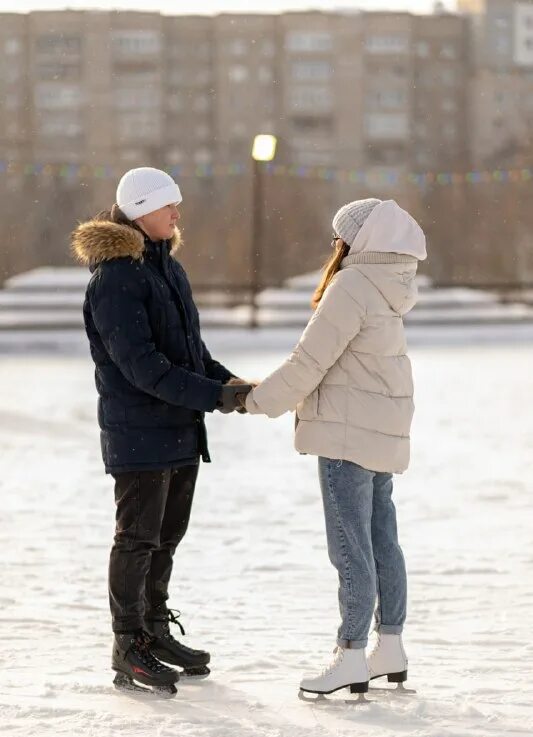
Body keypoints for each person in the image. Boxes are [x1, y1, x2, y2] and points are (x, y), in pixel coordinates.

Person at [72, 167, 251, 692]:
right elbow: (142, 367)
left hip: (178, 428)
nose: (177, 213)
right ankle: (128, 644)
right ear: (140, 210)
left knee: (166, 538)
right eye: (168, 205)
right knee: (137, 539)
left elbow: (191, 352)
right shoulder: (116, 278)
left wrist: (229, 383)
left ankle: (152, 629)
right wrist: (213, 396)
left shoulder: (166, 267)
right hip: (139, 433)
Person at [244, 198, 426, 697]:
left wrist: (256, 400)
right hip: (380, 429)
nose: (335, 245)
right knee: (382, 540)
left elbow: (310, 360)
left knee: (350, 547)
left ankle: (350, 653)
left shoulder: (352, 286)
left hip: (347, 433)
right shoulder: (391, 285)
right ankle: (390, 646)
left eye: (338, 237)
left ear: (356, 241)